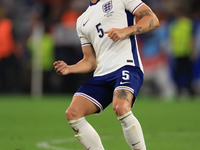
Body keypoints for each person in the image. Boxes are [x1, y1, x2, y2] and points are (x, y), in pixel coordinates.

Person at [54, 0, 159, 149]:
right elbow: (90, 61)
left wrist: (126, 30)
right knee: (73, 113)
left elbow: (153, 20)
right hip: (102, 74)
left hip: (126, 65)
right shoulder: (82, 20)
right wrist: (70, 68)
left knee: (121, 107)